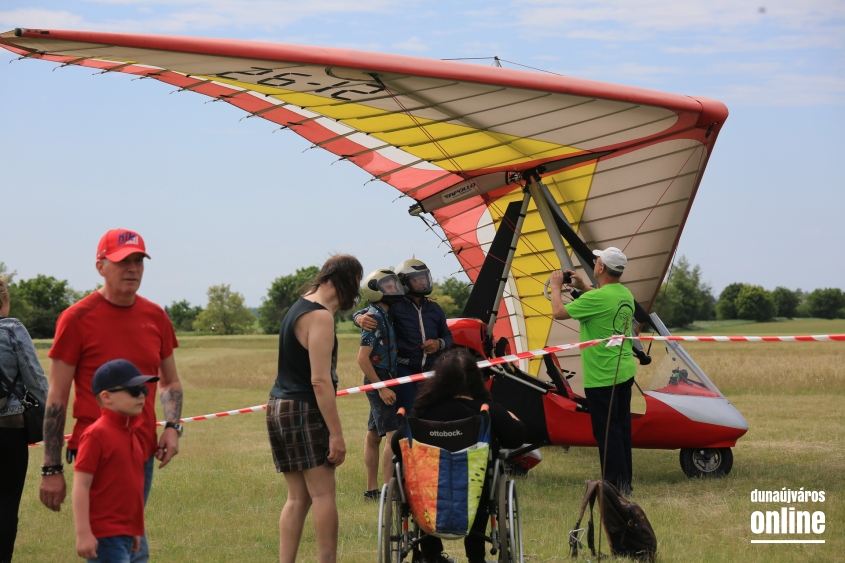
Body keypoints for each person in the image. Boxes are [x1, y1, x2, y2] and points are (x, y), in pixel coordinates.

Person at [39, 229, 184, 563]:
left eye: (138, 261)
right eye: (122, 261)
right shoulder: (76, 318)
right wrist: (50, 468)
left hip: (141, 451)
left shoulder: (155, 316)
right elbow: (57, 398)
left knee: (130, 541)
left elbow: (169, 381)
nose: (132, 269)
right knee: (115, 545)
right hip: (98, 451)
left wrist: (173, 427)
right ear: (100, 266)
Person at [267, 254, 363, 563]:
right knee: (323, 495)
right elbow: (320, 381)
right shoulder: (320, 316)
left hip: (277, 405)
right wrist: (336, 434)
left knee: (297, 498)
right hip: (303, 407)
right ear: (343, 284)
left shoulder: (298, 307)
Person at [391, 349, 526, 563]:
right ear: (476, 379)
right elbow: (516, 438)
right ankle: (476, 557)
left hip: (427, 495)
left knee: (422, 481)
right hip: (477, 494)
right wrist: (512, 417)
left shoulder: (422, 413)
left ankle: (430, 556)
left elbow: (397, 447)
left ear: (439, 380)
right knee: (478, 483)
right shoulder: (486, 410)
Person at [549, 247, 636, 494]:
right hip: (624, 370)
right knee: (621, 429)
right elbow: (602, 300)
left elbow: (558, 312)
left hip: (602, 376)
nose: (595, 262)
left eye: (597, 260)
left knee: (606, 433)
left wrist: (556, 286)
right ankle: (624, 483)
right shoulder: (624, 294)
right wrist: (584, 287)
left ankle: (613, 486)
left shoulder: (596, 298)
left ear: (601, 268)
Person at [73, 360, 159, 563]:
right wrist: (83, 533)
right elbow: (81, 486)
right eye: (133, 390)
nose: (141, 396)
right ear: (106, 397)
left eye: (144, 390)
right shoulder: (96, 435)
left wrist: (134, 529)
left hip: (125, 534)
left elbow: (132, 489)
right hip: (105, 536)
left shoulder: (132, 433)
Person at [0, 276, 49, 563]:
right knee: (6, 502)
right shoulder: (12, 329)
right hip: (8, 430)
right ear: (5, 300)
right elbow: (36, 380)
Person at [353, 258, 452, 400]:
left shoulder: (435, 308)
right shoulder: (394, 305)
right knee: (406, 411)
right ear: (403, 281)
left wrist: (439, 343)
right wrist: (359, 318)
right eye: (417, 279)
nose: (423, 282)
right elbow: (368, 312)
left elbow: (448, 336)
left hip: (432, 370)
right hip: (403, 370)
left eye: (424, 278)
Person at [357, 269, 405, 502]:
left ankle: (372, 491)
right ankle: (388, 491)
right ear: (375, 290)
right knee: (392, 435)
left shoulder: (386, 313)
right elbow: (362, 359)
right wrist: (381, 387)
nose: (393, 288)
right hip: (380, 380)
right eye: (387, 286)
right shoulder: (374, 318)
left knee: (374, 435)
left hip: (386, 378)